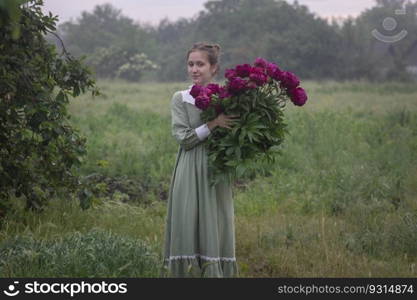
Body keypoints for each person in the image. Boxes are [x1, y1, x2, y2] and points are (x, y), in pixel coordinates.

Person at [161, 42, 239, 278]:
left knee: (217, 221)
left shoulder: (227, 98)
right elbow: (184, 139)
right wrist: (214, 124)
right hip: (189, 167)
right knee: (188, 219)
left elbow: (236, 135)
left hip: (217, 169)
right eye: (190, 64)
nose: (194, 69)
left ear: (213, 68)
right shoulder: (180, 98)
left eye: (200, 64)